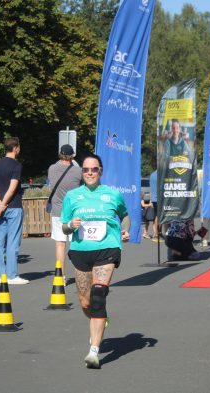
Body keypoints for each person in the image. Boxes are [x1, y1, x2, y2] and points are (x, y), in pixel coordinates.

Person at [61, 154, 130, 369]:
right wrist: (70, 224)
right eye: (86, 170)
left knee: (99, 295)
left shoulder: (113, 194)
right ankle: (99, 319)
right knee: (86, 302)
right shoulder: (72, 196)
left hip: (107, 249)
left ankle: (94, 351)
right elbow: (63, 227)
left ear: (101, 171)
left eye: (94, 169)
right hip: (81, 251)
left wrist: (125, 229)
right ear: (81, 172)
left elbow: (125, 215)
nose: (90, 173)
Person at [0, 137, 29, 284]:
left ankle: (1, 275)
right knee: (12, 241)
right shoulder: (16, 166)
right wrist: (4, 204)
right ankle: (12, 275)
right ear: (16, 148)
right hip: (13, 206)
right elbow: (12, 189)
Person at [47, 144, 81, 283]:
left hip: (57, 211)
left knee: (60, 244)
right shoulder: (78, 171)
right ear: (72, 155)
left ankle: (60, 276)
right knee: (77, 244)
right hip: (74, 212)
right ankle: (80, 274)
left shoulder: (52, 169)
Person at [149, 169, 161, 241]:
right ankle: (157, 233)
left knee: (157, 215)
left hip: (154, 198)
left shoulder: (152, 175)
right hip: (159, 198)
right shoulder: (160, 175)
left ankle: (156, 232)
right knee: (159, 216)